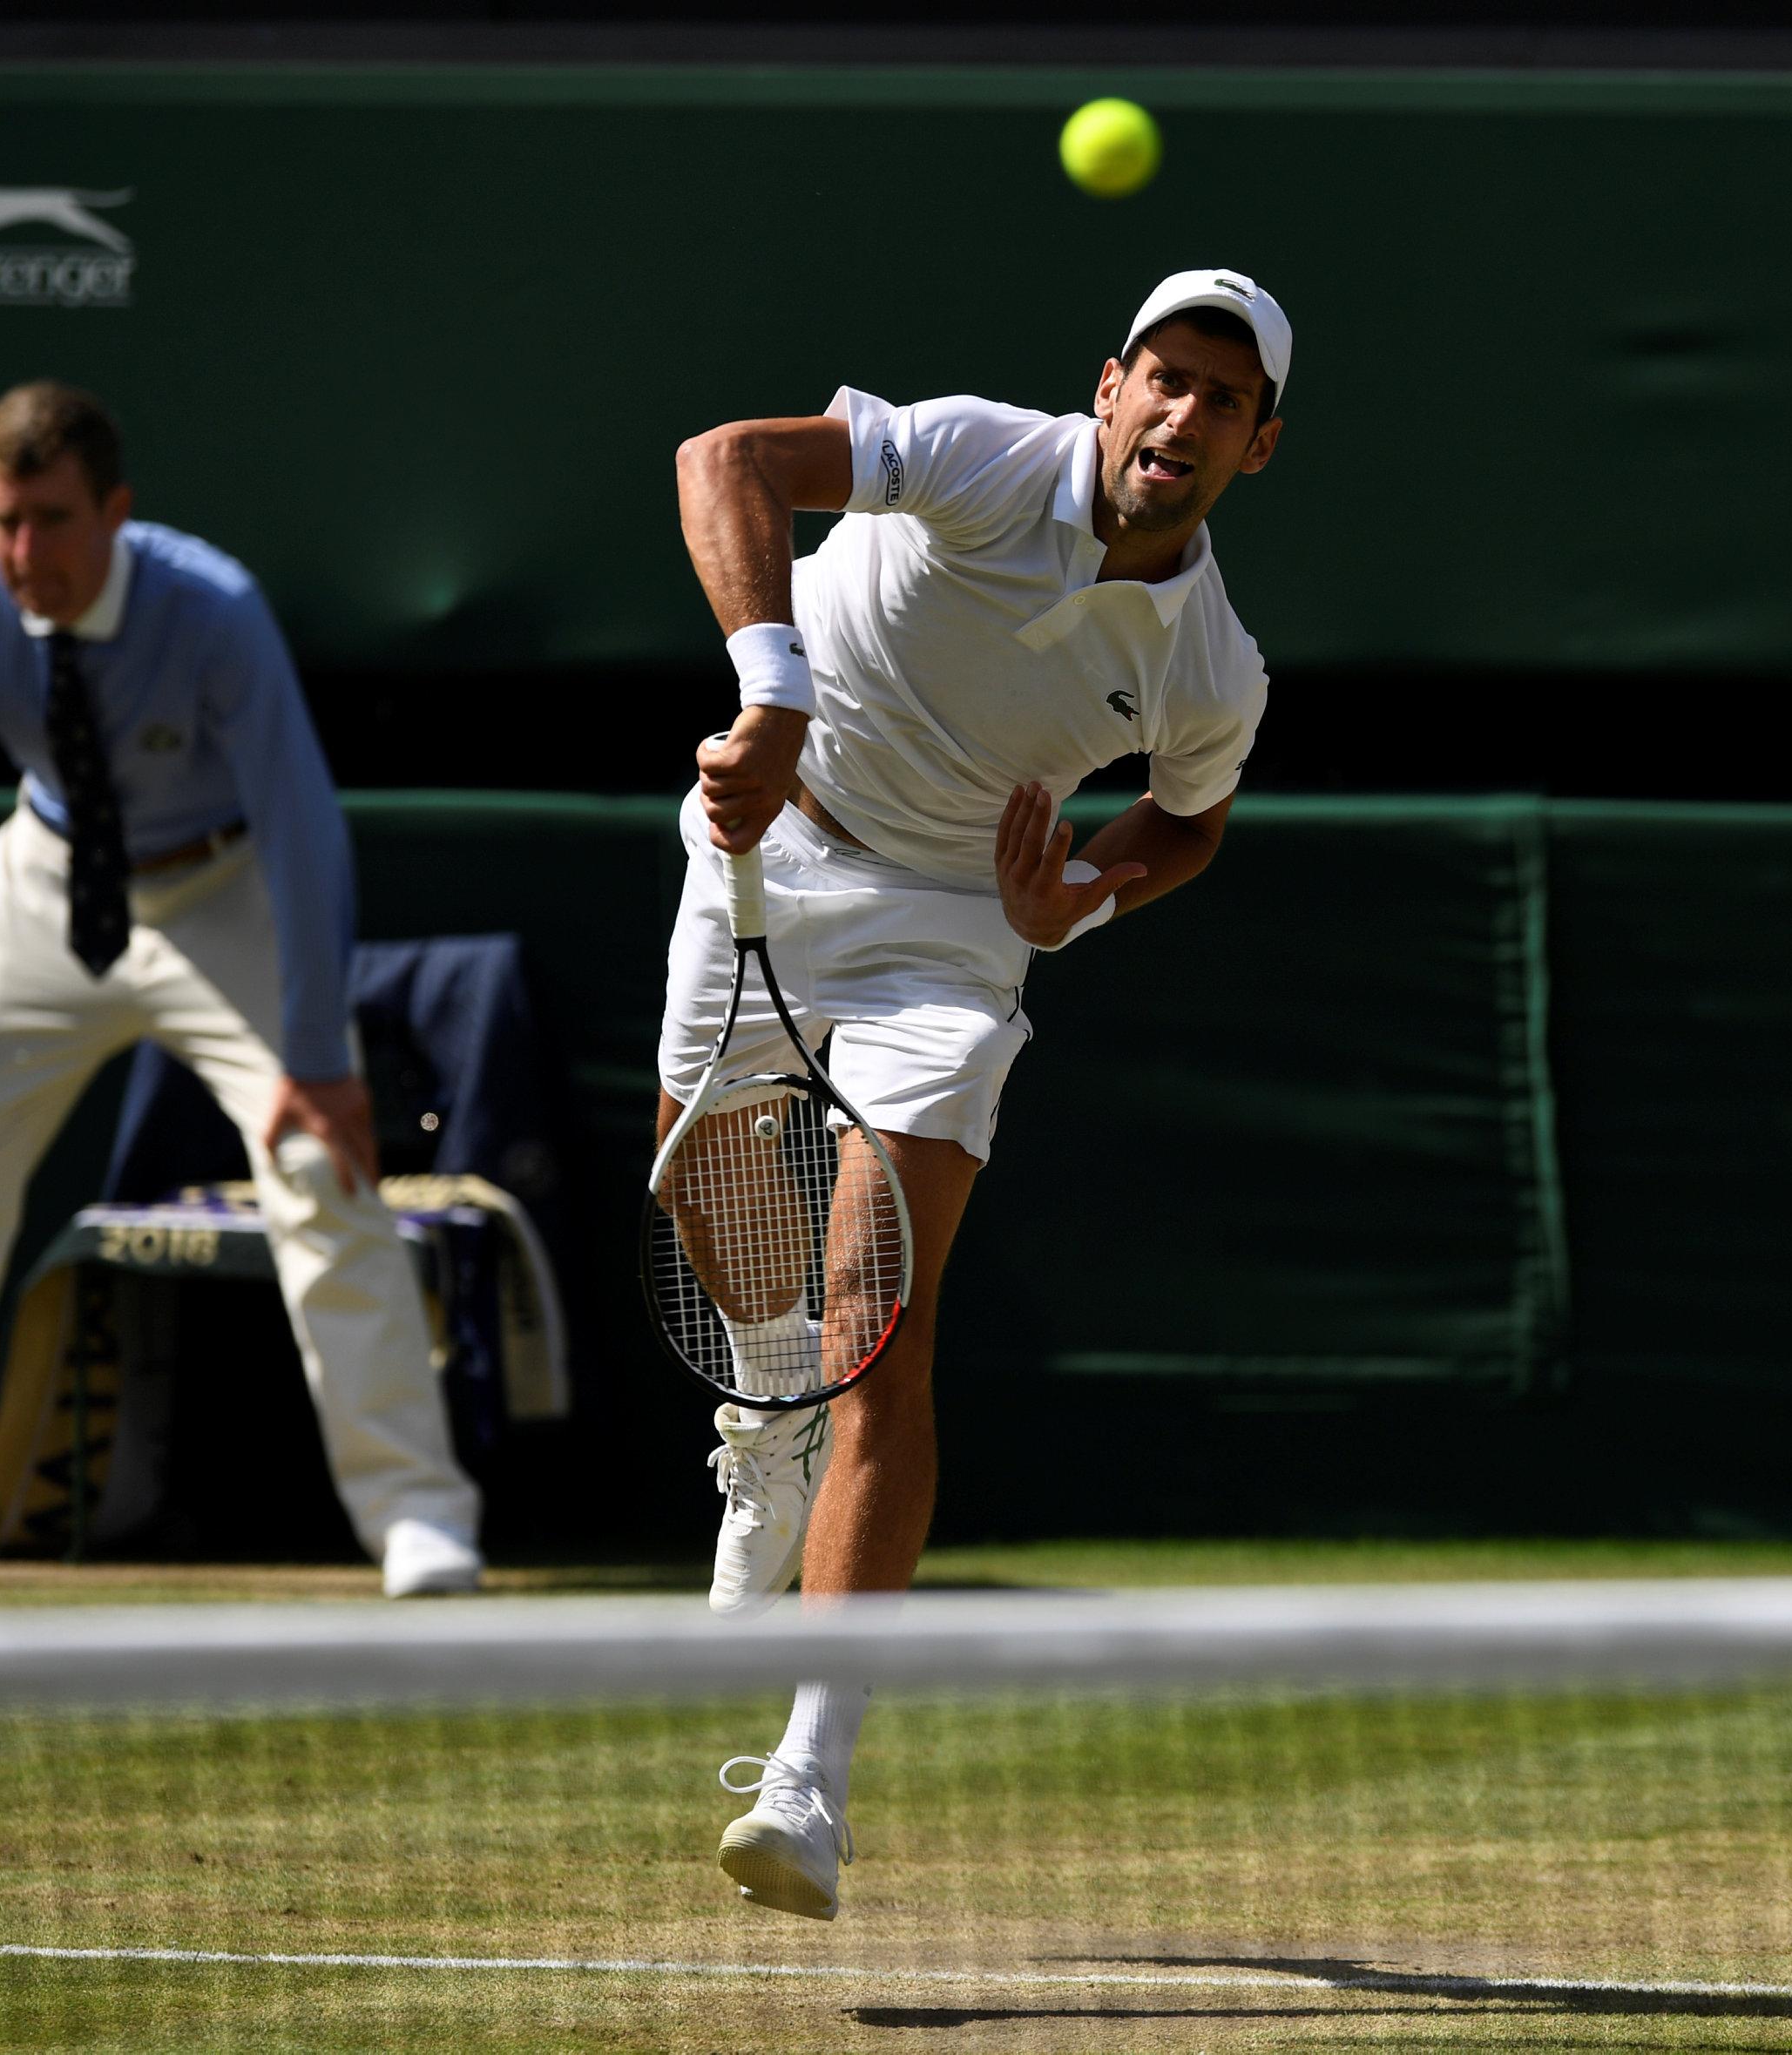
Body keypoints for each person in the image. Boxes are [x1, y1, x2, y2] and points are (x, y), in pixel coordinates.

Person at [664, 269, 1289, 1916]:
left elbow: (1189, 821)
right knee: (725, 1221)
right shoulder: (970, 455)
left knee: (884, 1318)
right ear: (1107, 388)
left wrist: (1074, 902)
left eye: (1224, 400)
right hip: (769, 853)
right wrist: (772, 689)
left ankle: (810, 1774)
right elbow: (724, 457)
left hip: (954, 941)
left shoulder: (1213, 666)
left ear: (1257, 449)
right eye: (1165, 377)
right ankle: (759, 1415)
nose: (1184, 414)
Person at [0, 382, 484, 1600]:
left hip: (223, 891)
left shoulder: (214, 611)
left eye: (52, 520)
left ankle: (416, 1516)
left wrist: (315, 1055)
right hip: (43, 885)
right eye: (2, 522)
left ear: (115, 513)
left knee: (315, 1164)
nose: (25, 554)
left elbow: (300, 829)